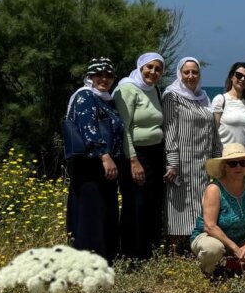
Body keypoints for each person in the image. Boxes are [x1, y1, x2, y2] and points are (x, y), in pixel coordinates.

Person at [65, 57, 125, 261]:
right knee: (90, 213)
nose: (104, 79)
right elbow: (88, 128)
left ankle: (104, 257)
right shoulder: (86, 96)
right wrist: (105, 156)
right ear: (90, 76)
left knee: (102, 212)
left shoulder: (105, 99)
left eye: (108, 75)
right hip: (90, 166)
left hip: (102, 166)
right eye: (99, 74)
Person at [190, 144, 245, 276]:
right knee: (213, 249)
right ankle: (209, 272)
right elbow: (210, 226)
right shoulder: (214, 189)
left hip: (241, 238)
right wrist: (235, 248)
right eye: (233, 163)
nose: (238, 167)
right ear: (224, 166)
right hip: (212, 238)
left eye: (242, 163)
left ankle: (243, 263)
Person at [163, 57, 222, 246]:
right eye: (186, 72)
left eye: (194, 72)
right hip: (182, 162)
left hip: (202, 164)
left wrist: (217, 160)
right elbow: (169, 132)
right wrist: (173, 163)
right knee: (178, 207)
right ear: (179, 74)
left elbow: (213, 130)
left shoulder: (203, 97)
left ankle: (195, 245)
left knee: (200, 206)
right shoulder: (171, 96)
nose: (190, 76)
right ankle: (174, 250)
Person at [113, 52, 166, 261]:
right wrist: (133, 160)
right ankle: (131, 254)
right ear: (140, 67)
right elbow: (123, 127)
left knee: (153, 204)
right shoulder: (127, 89)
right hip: (136, 155)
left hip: (155, 154)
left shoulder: (154, 90)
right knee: (136, 204)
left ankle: (149, 251)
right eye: (149, 67)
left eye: (158, 69)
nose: (153, 72)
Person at [212, 62, 245, 149]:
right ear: (231, 76)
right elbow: (213, 133)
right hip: (224, 157)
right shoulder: (220, 100)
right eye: (239, 75)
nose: (243, 79)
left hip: (243, 160)